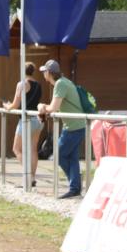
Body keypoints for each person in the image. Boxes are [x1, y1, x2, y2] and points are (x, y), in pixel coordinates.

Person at [37, 59, 86, 198]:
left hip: (73, 127)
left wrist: (41, 106)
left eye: (44, 71)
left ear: (49, 73)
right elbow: (56, 108)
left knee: (58, 155)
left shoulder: (60, 84)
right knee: (72, 157)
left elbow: (53, 108)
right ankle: (75, 186)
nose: (43, 74)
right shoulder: (64, 82)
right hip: (76, 125)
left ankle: (75, 182)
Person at [3, 62, 43, 185]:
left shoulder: (21, 84)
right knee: (33, 149)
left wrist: (6, 106)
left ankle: (29, 176)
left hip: (26, 120)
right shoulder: (38, 84)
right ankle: (32, 178)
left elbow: (14, 105)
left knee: (16, 149)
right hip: (38, 119)